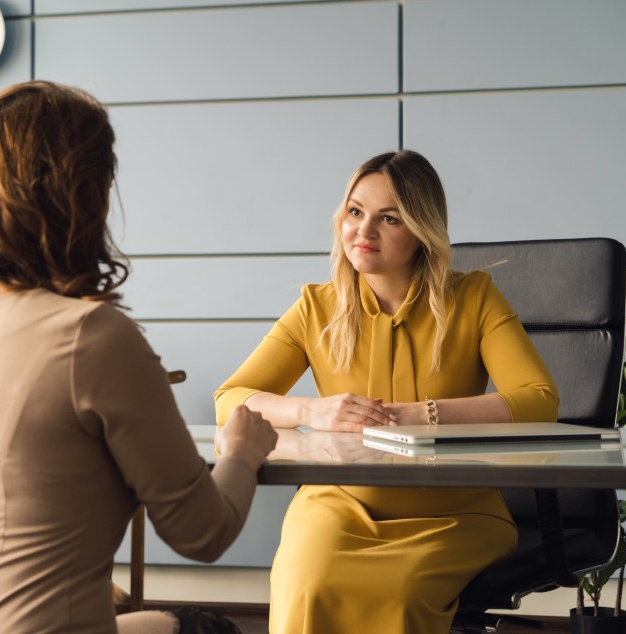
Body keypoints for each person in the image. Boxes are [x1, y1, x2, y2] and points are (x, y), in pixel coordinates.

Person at [0, 80, 278, 634]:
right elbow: (203, 533)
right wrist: (242, 454)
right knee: (205, 629)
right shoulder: (93, 336)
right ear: (85, 194)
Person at [214, 150, 558, 633]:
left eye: (388, 218)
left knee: (401, 595)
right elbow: (230, 399)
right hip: (337, 504)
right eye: (355, 212)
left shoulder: (475, 296)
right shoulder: (316, 306)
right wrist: (313, 409)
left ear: (421, 229)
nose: (364, 231)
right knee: (309, 583)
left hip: (455, 513)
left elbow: (540, 398)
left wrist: (424, 415)